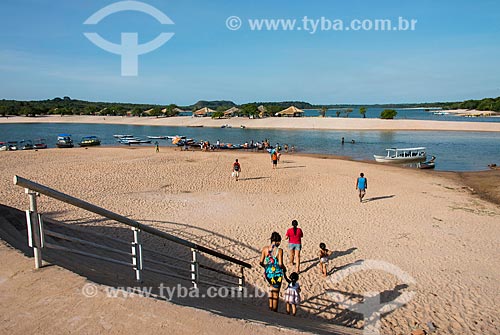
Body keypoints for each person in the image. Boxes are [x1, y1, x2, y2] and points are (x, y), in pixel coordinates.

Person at [260, 232, 285, 312]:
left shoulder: (265, 249)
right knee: (276, 293)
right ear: (278, 241)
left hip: (268, 273)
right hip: (277, 273)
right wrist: (285, 269)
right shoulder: (279, 251)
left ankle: (270, 308)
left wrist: (266, 266)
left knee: (271, 290)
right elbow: (280, 264)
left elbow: (261, 262)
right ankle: (274, 310)